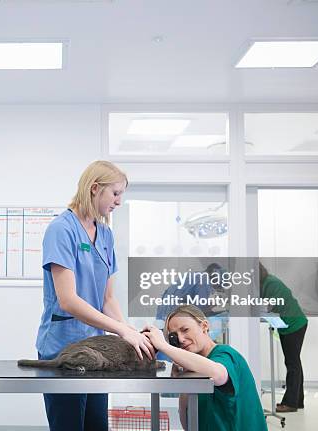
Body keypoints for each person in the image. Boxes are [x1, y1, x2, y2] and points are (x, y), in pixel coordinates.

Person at [35, 160, 155, 431]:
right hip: (63, 348)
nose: (119, 201)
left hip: (97, 352)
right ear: (94, 188)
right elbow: (68, 300)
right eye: (115, 193)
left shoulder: (106, 235)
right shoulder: (61, 230)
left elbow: (107, 299)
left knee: (97, 426)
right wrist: (121, 331)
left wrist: (129, 333)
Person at [143, 305, 267, 431]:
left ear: (204, 326)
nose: (180, 339)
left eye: (185, 330)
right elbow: (187, 422)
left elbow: (218, 374)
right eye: (174, 335)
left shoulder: (226, 355)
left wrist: (165, 347)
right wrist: (184, 377)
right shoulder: (195, 369)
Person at [259, 262, 308, 413]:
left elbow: (271, 306)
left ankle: (290, 403)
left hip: (294, 324)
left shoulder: (271, 283)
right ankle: (297, 401)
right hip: (290, 324)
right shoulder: (265, 283)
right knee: (294, 363)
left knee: (292, 363)